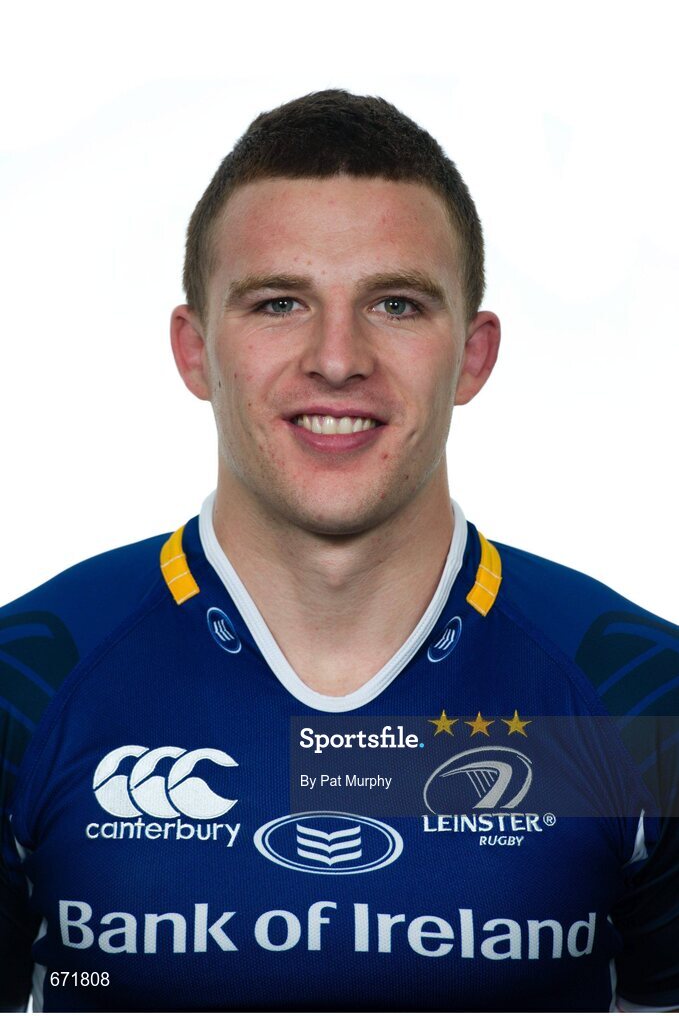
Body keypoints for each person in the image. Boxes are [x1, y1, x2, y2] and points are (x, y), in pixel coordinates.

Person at [1, 89, 677, 1014]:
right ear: (194, 351)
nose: (335, 357)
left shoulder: (643, 700)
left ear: (472, 356)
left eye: (394, 303)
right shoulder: (24, 686)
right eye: (279, 302)